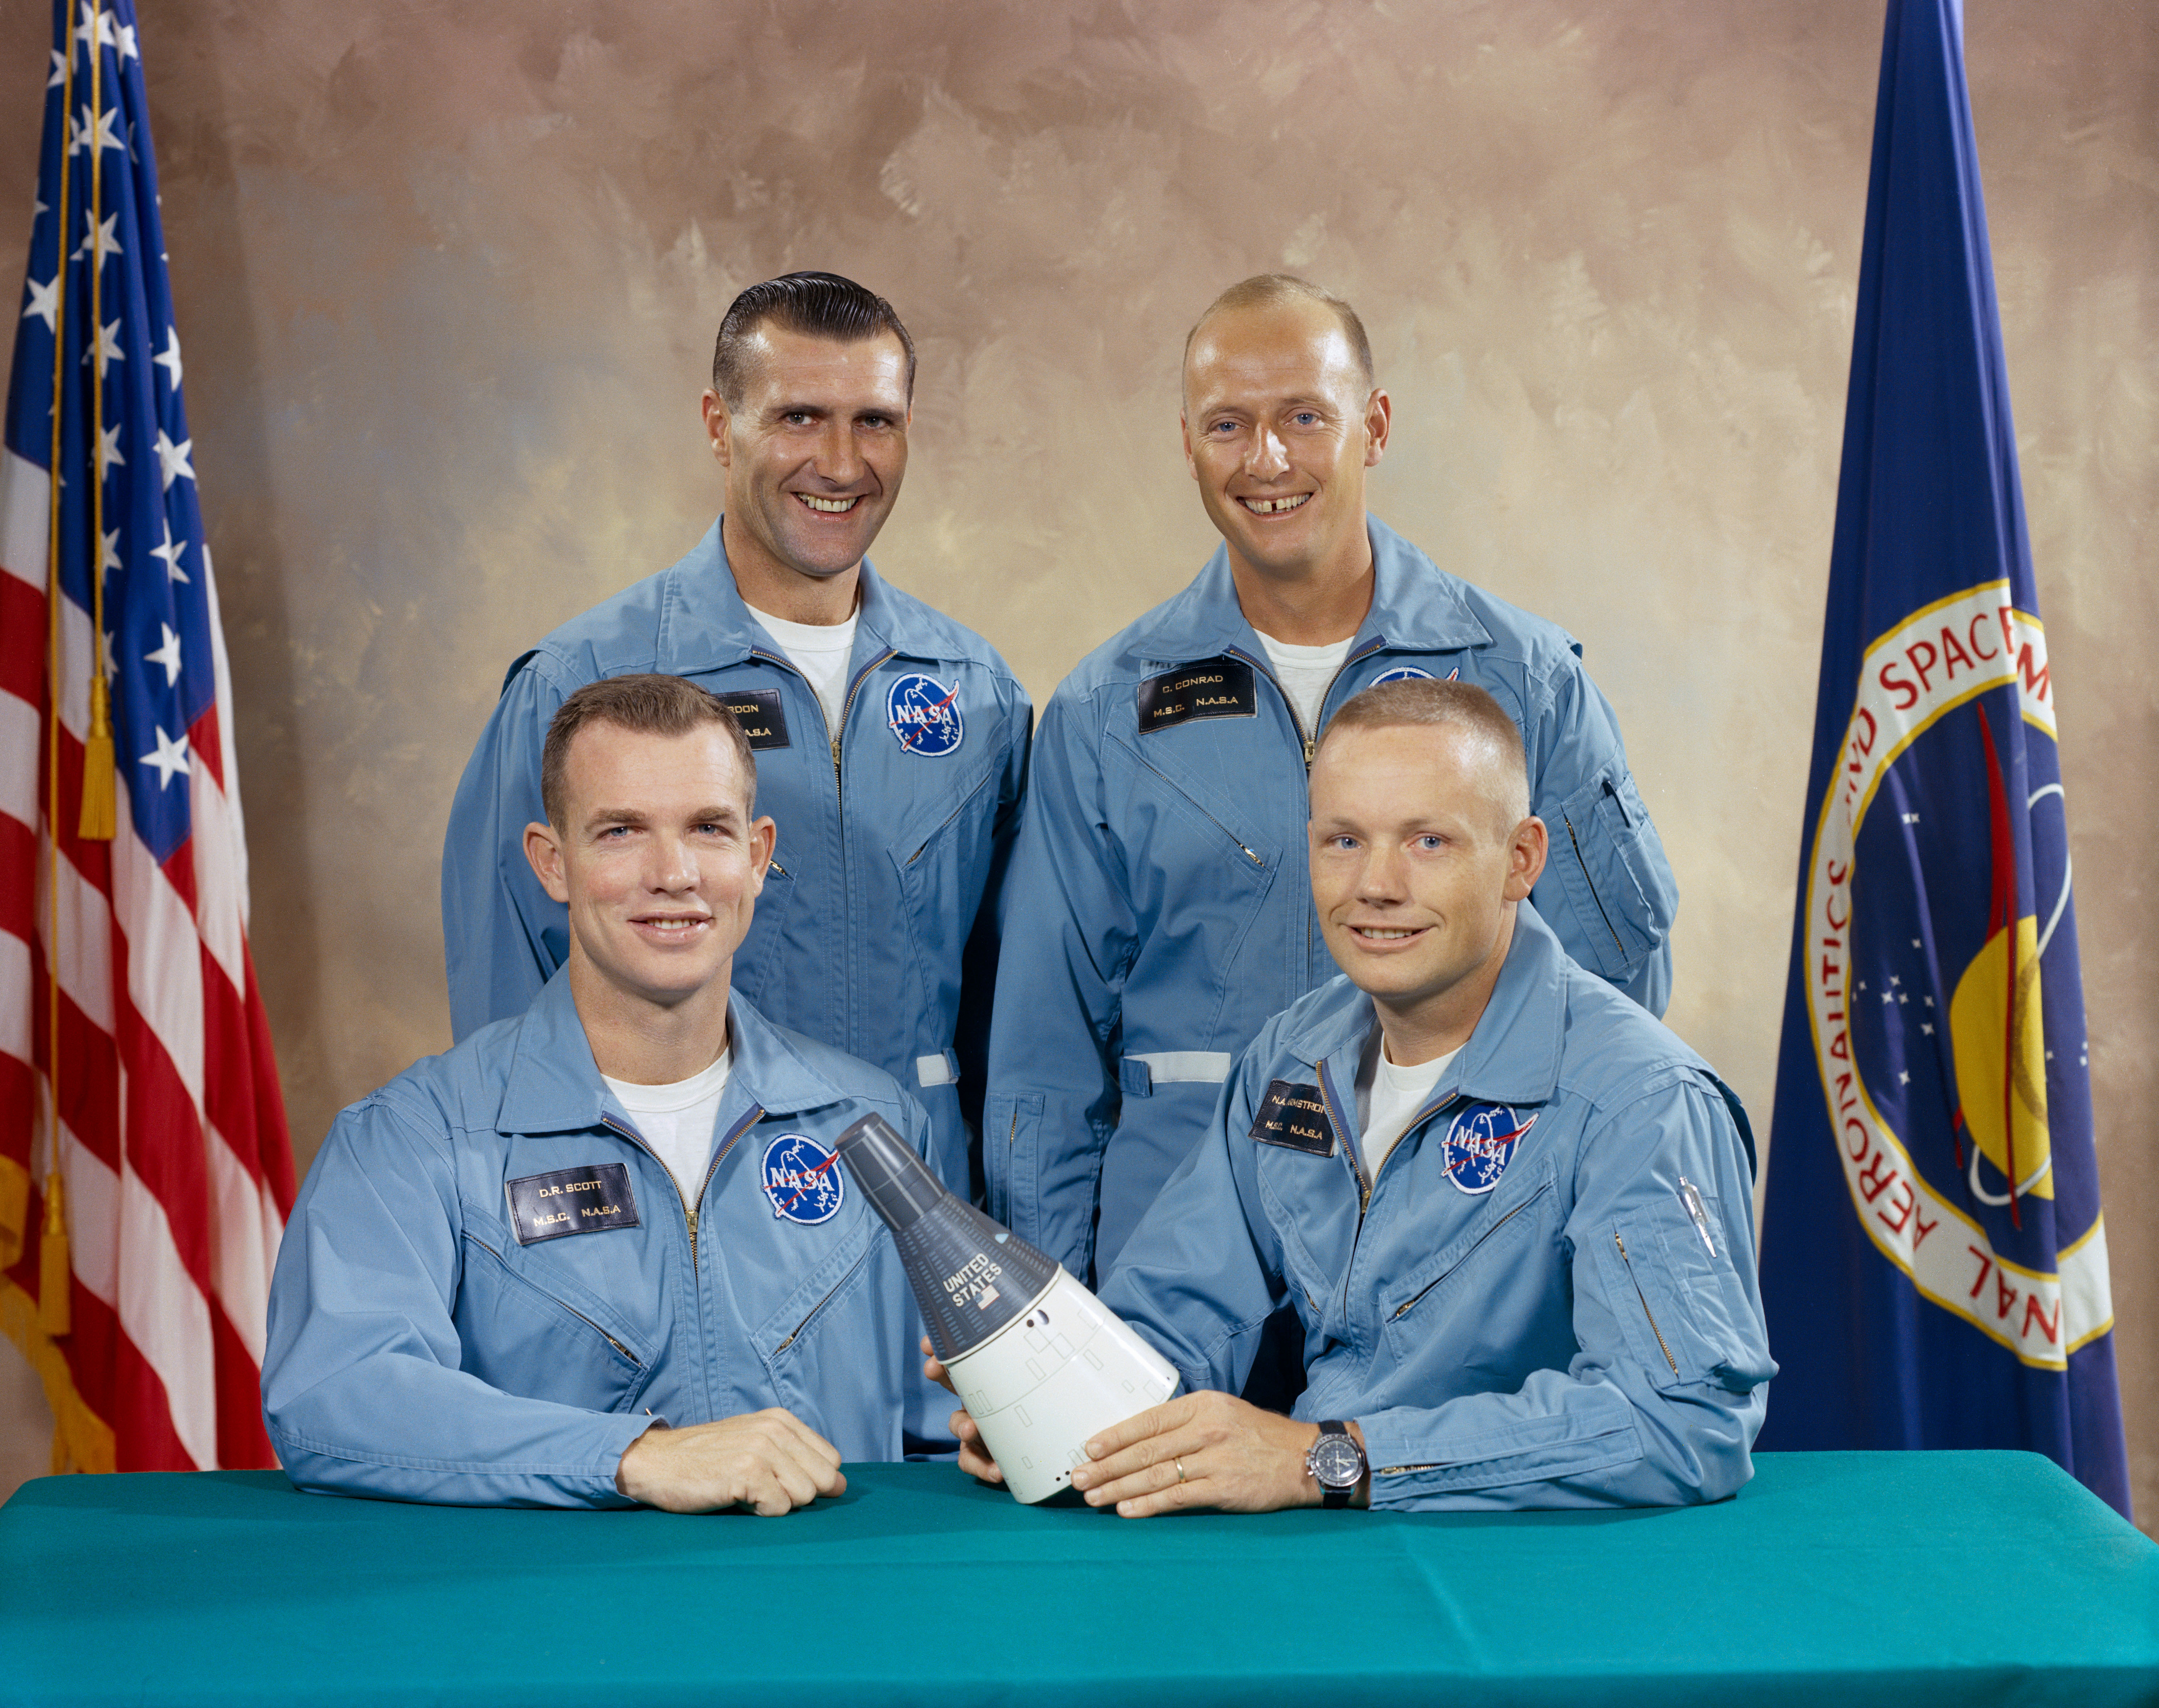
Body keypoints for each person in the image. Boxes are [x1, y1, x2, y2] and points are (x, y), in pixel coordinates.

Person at [984, 273, 1679, 1304]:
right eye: (1229, 423)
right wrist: (1042, 1318)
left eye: (1305, 416)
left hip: (1460, 1273)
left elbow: (1619, 1008)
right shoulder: (1103, 714)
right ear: (1188, 444)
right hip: (1182, 1280)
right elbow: (1044, 1062)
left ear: (1375, 425)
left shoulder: (1525, 683)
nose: (1268, 459)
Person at [938, 679, 1770, 1513]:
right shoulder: (1293, 1059)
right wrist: (1073, 1411)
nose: (1374, 884)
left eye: (1428, 842)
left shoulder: (1639, 1101)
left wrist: (1331, 1459)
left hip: (1529, 1584)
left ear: (1521, 858)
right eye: (1343, 840)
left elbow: (1681, 1421)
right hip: (1324, 1558)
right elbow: (1176, 1312)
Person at [267, 676, 950, 1510]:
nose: (673, 874)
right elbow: (336, 1396)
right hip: (555, 1624)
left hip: (830, 1613)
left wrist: (1008, 1428)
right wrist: (628, 1458)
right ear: (553, 862)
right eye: (621, 831)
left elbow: (942, 1429)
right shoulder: (414, 1142)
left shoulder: (872, 1127)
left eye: (708, 828)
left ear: (758, 855)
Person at [442, 272, 1029, 1199]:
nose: (839, 463)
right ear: (719, 425)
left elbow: (1022, 1023)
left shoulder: (978, 695)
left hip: (927, 1216)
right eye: (797, 418)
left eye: (873, 421)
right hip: (694, 1217)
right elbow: (506, 1019)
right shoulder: (578, 685)